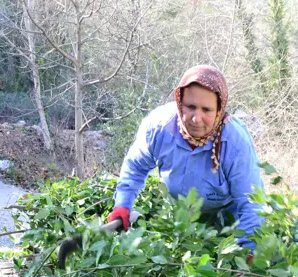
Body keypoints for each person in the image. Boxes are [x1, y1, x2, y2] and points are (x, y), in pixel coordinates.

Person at [107, 65, 264, 248]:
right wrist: (123, 204)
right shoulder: (159, 128)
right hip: (180, 216)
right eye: (190, 107)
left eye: (206, 110)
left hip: (228, 217)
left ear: (219, 111)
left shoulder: (235, 142)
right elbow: (135, 167)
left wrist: (249, 251)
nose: (196, 119)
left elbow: (250, 201)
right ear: (179, 103)